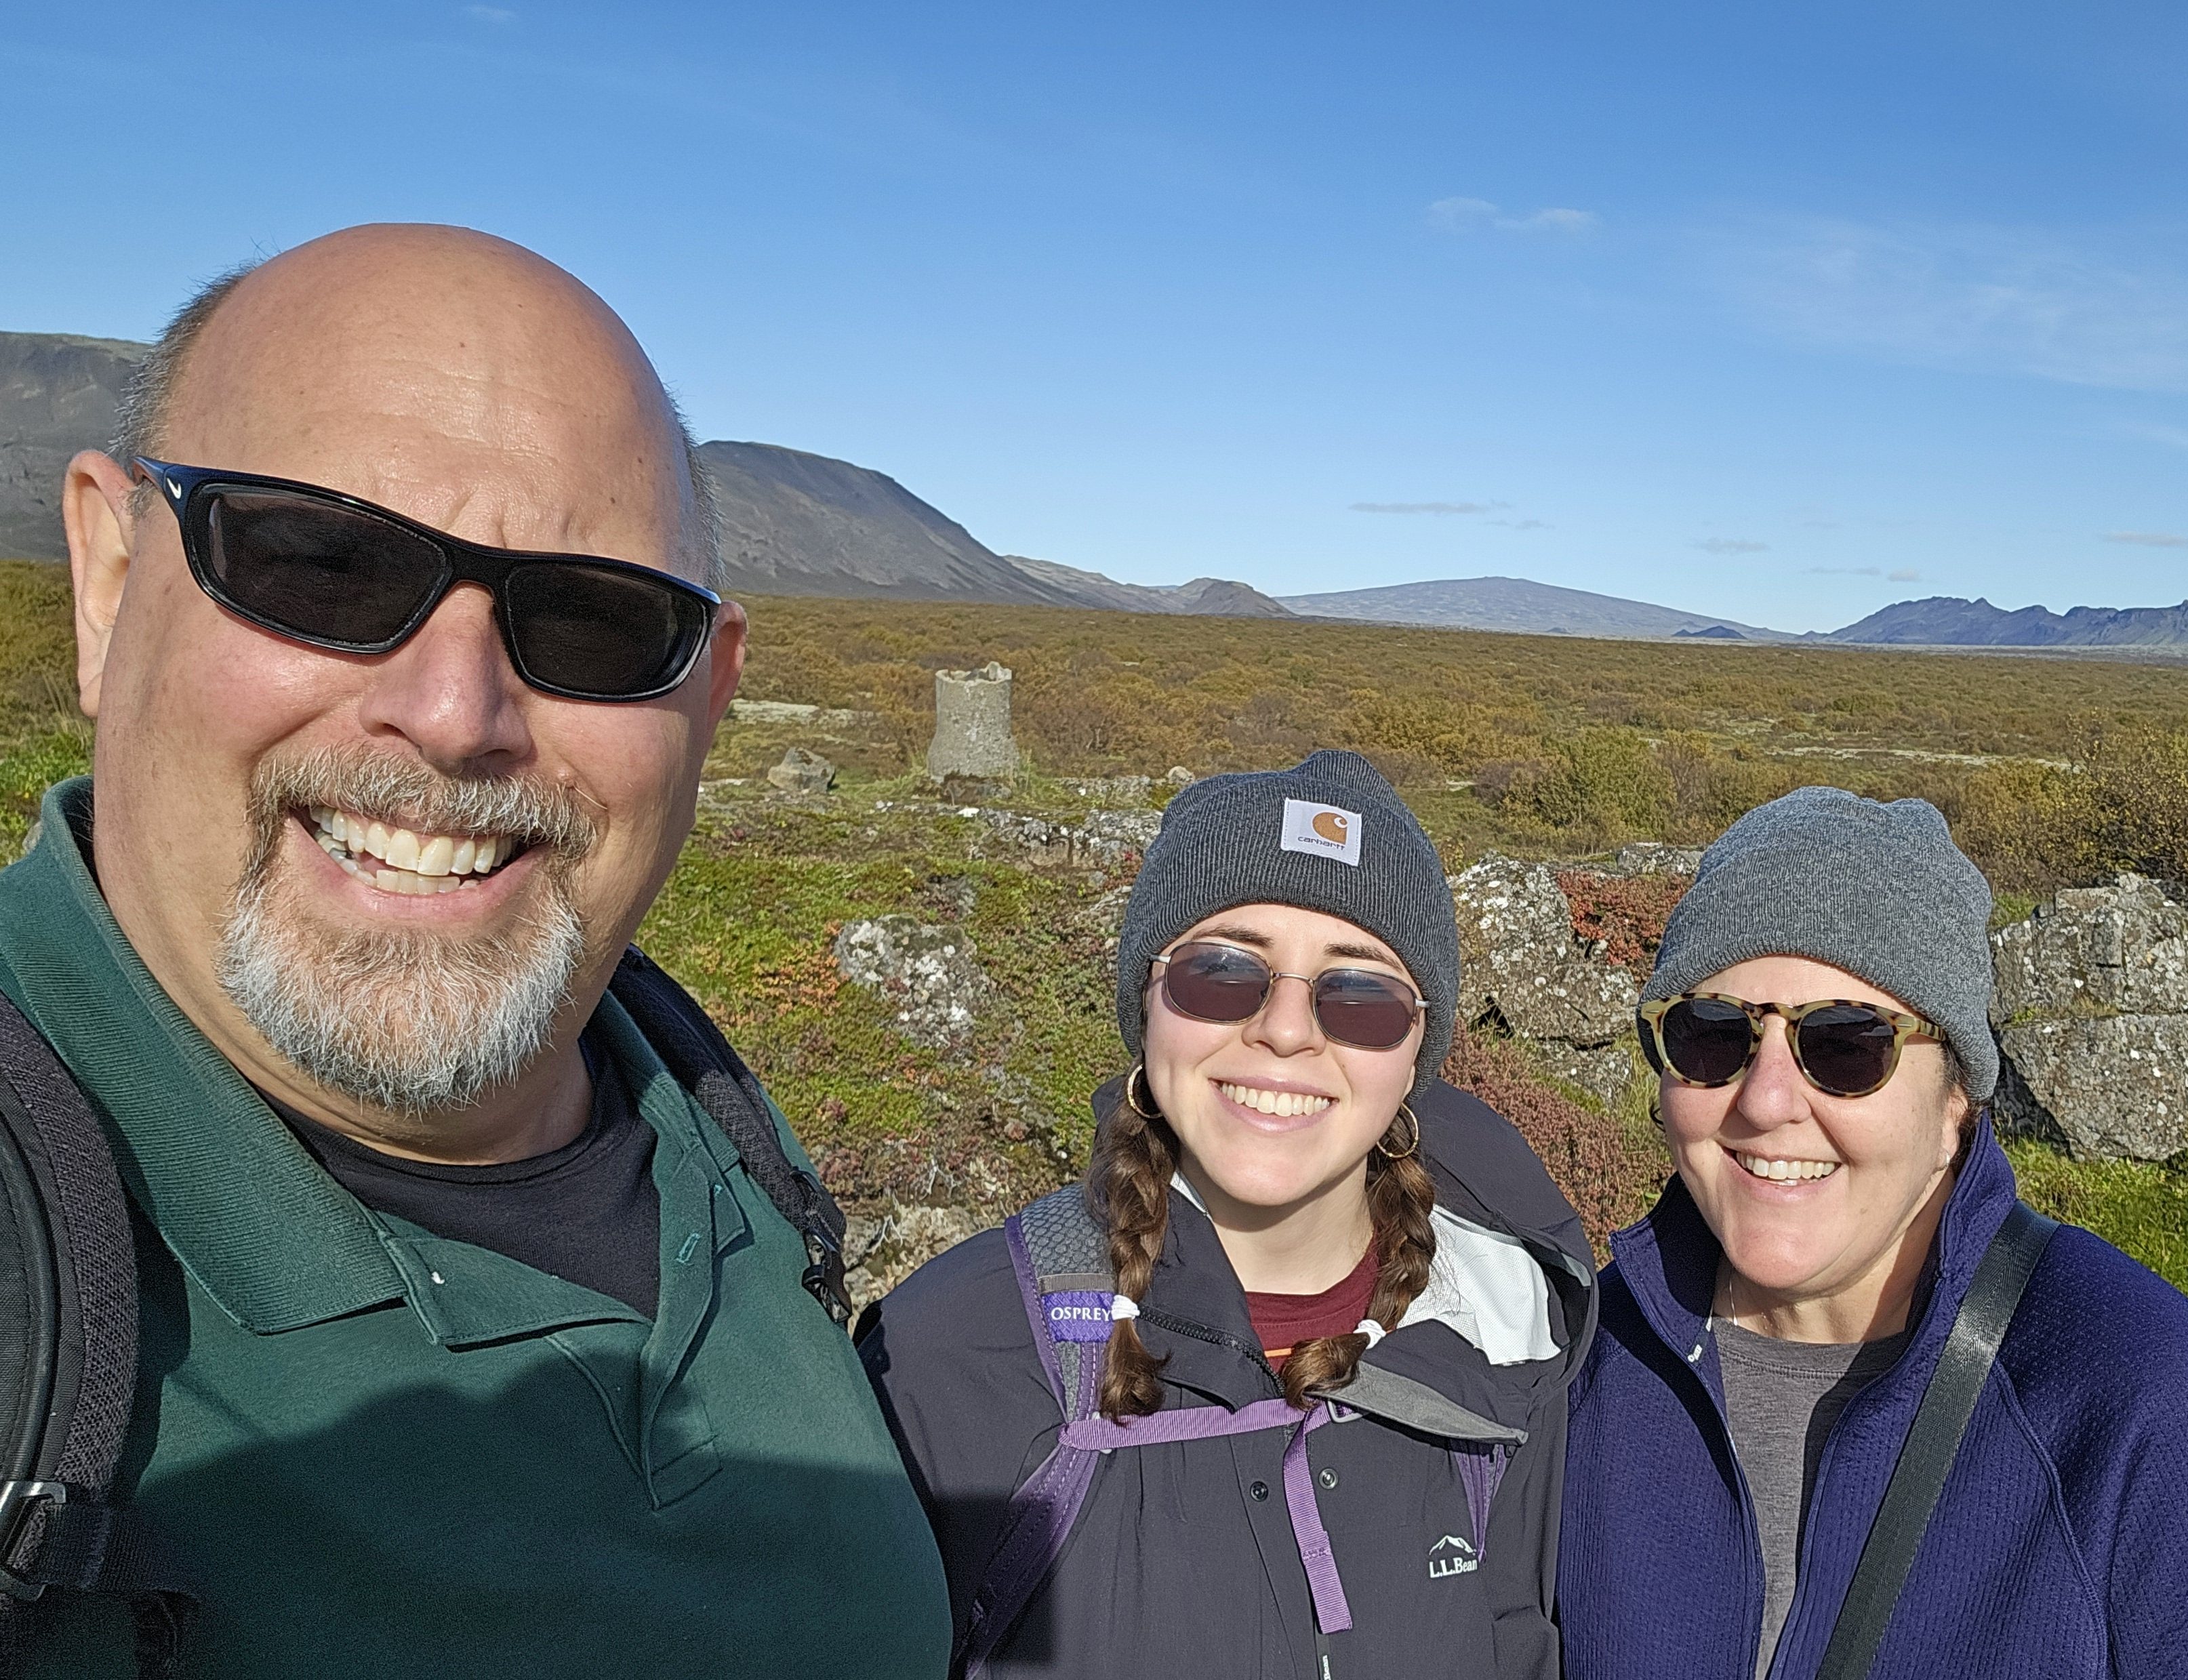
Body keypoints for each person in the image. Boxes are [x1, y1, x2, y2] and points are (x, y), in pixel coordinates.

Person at [3, 225, 950, 1677]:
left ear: (709, 697)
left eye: (594, 619)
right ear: (110, 580)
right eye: (322, 564)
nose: (455, 715)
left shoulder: (710, 1118)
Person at [858, 750, 1596, 1679]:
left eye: (1361, 995)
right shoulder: (951, 1356)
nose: (1284, 1031)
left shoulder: (1512, 1342)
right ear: (1147, 1007)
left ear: (1417, 1052)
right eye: (1220, 972)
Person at [1558, 788, 2188, 1679]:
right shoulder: (1576, 1371)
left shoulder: (2147, 1404)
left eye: (1845, 1045)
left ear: (1957, 1099)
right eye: (1712, 1035)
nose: (1765, 1102)